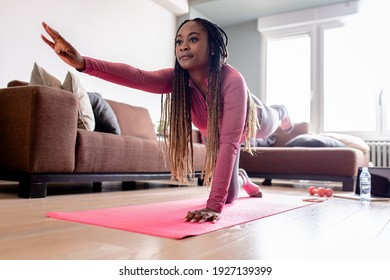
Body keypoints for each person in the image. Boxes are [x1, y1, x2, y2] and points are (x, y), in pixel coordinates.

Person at [41, 18, 293, 223]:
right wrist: (83, 63)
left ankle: (282, 110)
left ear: (213, 47)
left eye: (193, 39)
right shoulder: (178, 80)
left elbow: (230, 144)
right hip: (220, 134)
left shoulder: (232, 80)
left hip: (254, 118)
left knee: (271, 119)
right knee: (229, 197)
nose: (183, 46)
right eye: (179, 41)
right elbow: (137, 76)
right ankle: (244, 178)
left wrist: (212, 207)